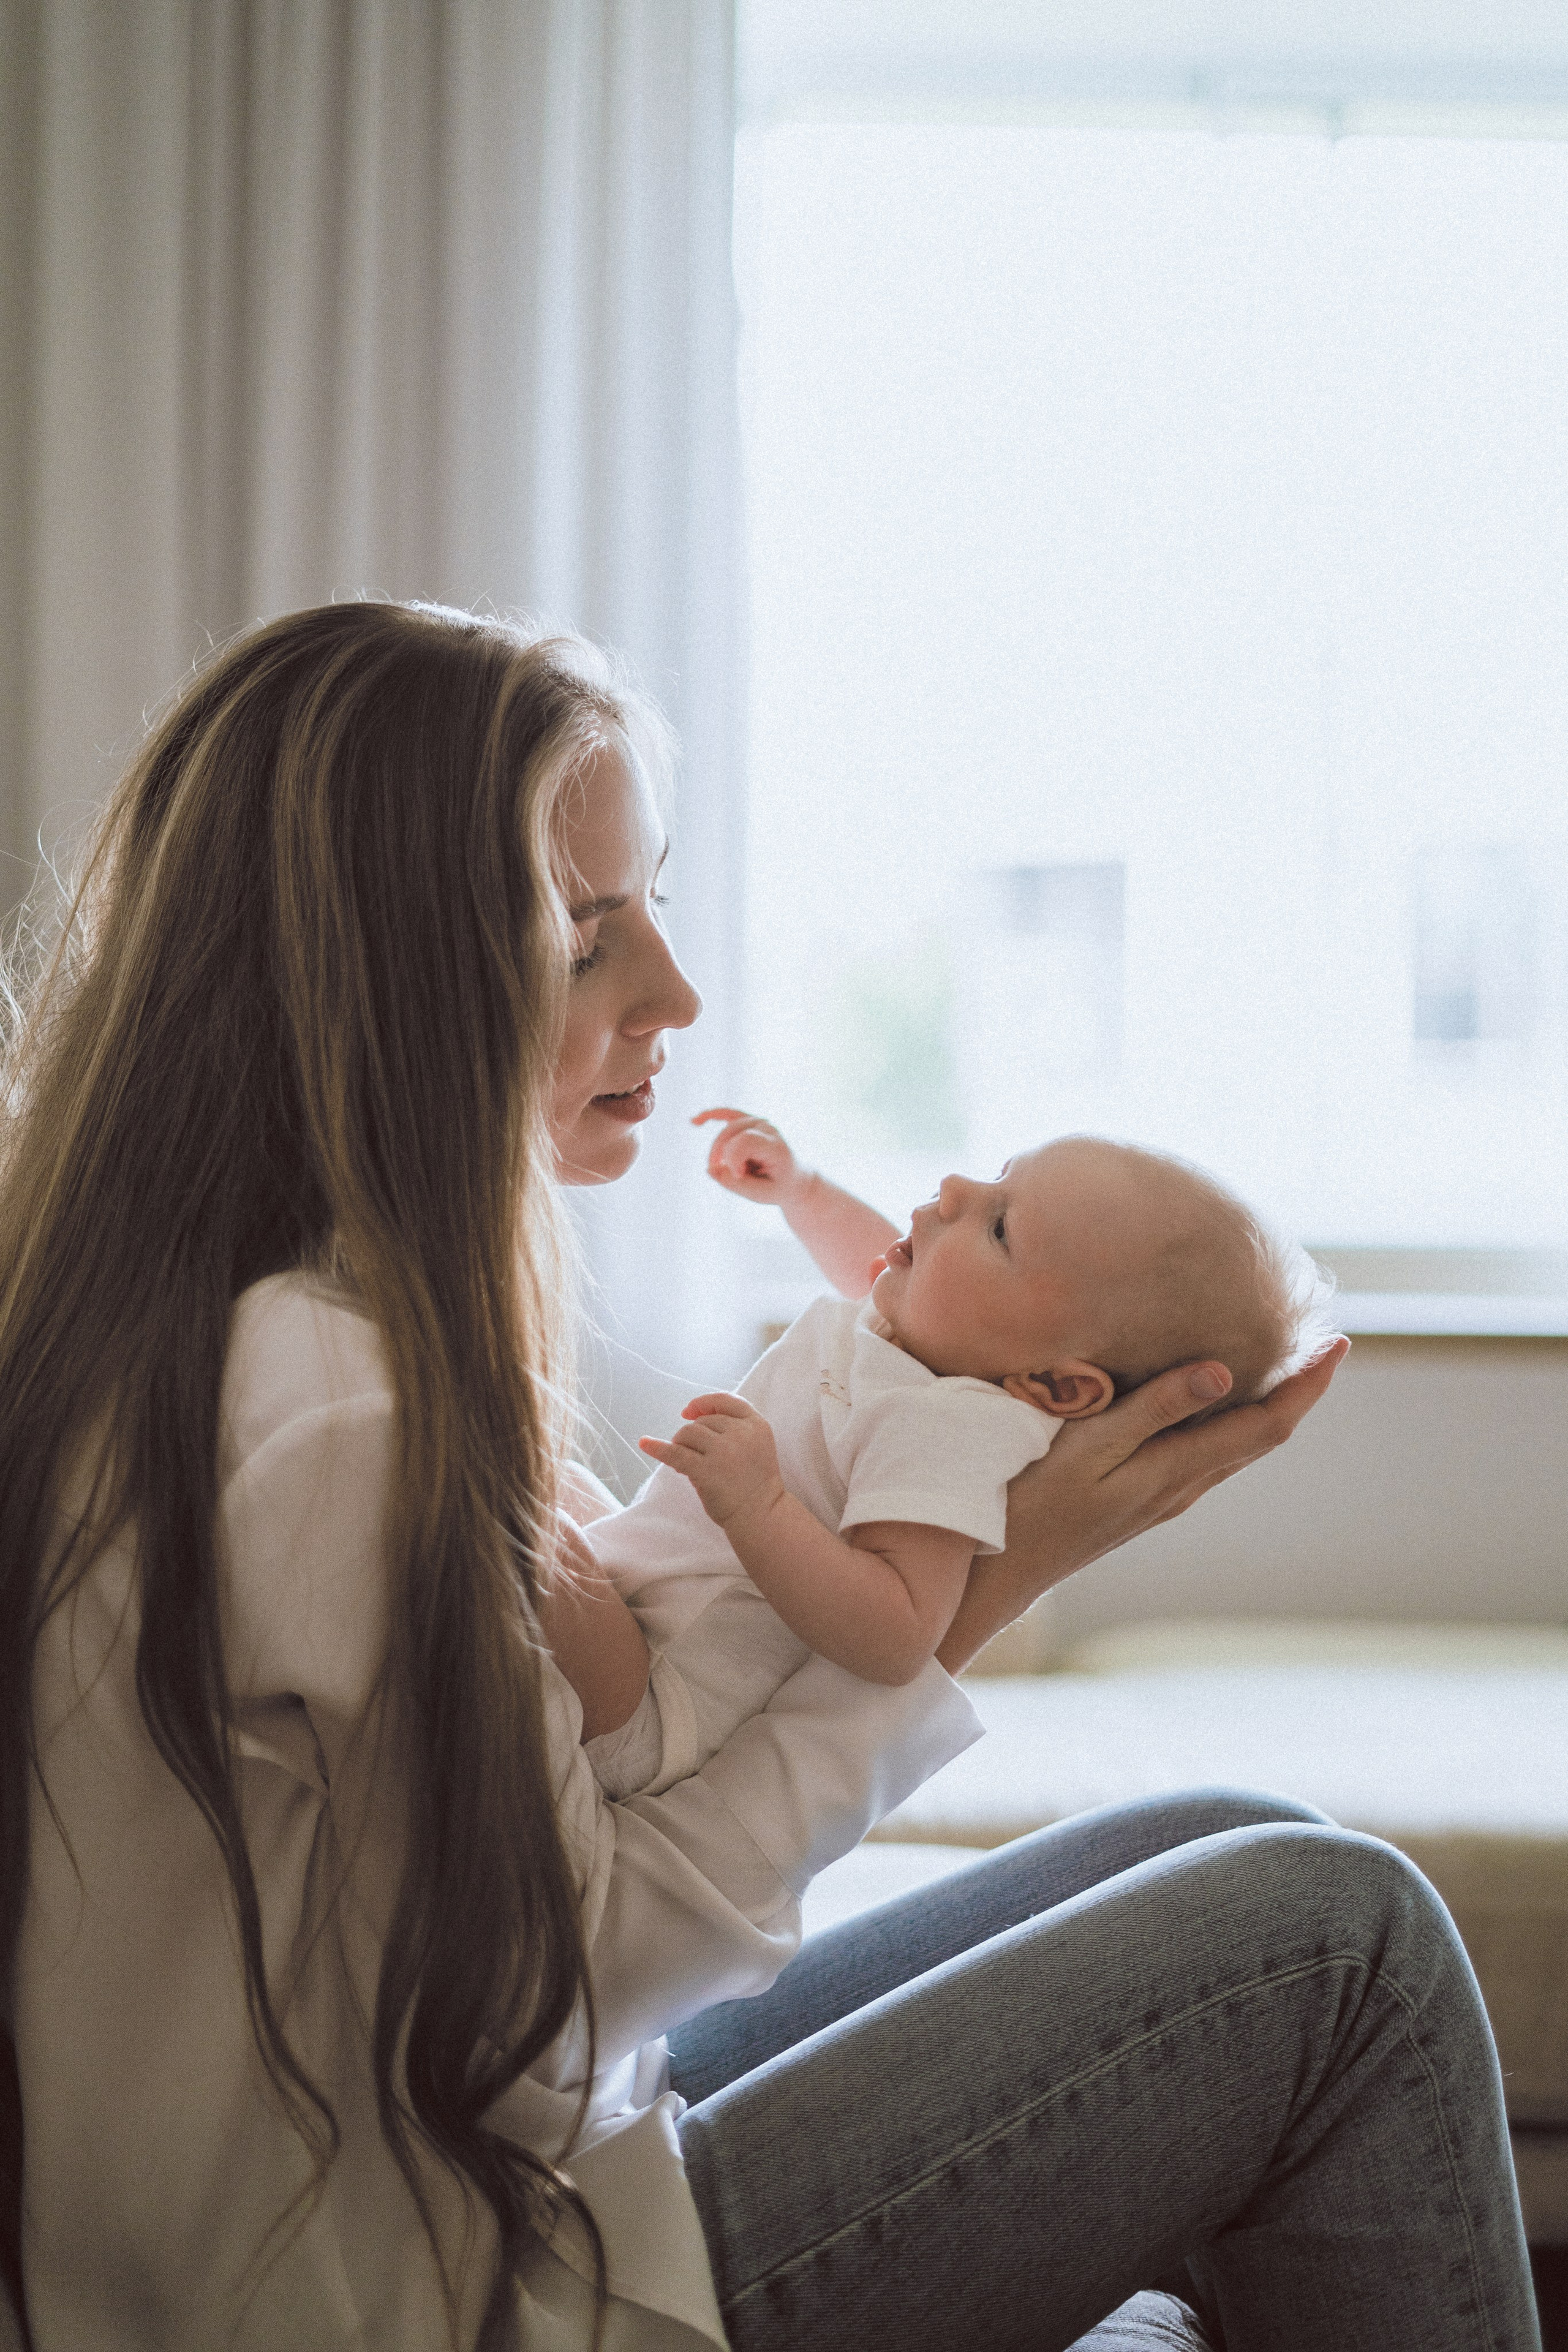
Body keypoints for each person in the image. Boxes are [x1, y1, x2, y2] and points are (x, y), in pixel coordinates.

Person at [0, 601, 1537, 2352]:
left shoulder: (236, 1320)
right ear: (388, 985)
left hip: (469, 2163)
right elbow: (555, 2000)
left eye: (652, 900)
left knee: (1240, 1841)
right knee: (1334, 1945)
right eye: (588, 939)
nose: (676, 989)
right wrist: (991, 1582)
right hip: (457, 2283)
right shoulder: (328, 1418)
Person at [575, 1123, 1335, 1798]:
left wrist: (759, 1505)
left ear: (1057, 1384)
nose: (953, 1189)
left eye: (1000, 1227)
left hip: (659, 1695)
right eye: (998, 1175)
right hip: (640, 1618)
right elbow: (870, 1263)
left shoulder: (949, 1428)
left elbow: (897, 1635)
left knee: (505, 1533)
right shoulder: (919, 1348)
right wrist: (804, 1192)